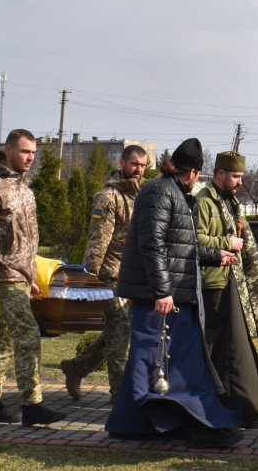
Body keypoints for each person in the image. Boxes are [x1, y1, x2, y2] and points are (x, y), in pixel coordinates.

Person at [106, 138, 244, 448]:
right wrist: (162, 292)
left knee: (152, 359)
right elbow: (151, 245)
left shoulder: (173, 192)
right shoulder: (160, 192)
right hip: (163, 298)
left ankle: (130, 424)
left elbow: (181, 247)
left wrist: (214, 255)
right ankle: (199, 423)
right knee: (173, 363)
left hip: (171, 294)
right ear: (194, 172)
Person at [0, 129, 65, 427]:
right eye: (24, 151)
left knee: (4, 339)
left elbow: (27, 241)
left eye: (33, 152)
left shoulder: (24, 189)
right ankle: (32, 405)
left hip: (21, 277)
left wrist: (30, 275)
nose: (30, 157)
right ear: (8, 150)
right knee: (28, 336)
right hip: (4, 276)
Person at [195, 150, 258, 424]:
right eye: (235, 176)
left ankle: (247, 405)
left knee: (240, 345)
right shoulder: (204, 202)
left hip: (236, 282)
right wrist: (227, 243)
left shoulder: (231, 202)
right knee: (222, 349)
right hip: (216, 283)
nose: (239, 182)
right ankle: (223, 406)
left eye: (241, 176)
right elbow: (195, 241)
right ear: (220, 174)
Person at [61, 143, 148, 402]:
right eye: (134, 164)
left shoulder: (140, 196)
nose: (138, 170)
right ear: (121, 164)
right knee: (119, 337)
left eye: (143, 166)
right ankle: (120, 396)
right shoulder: (108, 197)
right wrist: (89, 278)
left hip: (132, 276)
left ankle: (76, 367)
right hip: (111, 275)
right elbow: (98, 240)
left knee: (120, 331)